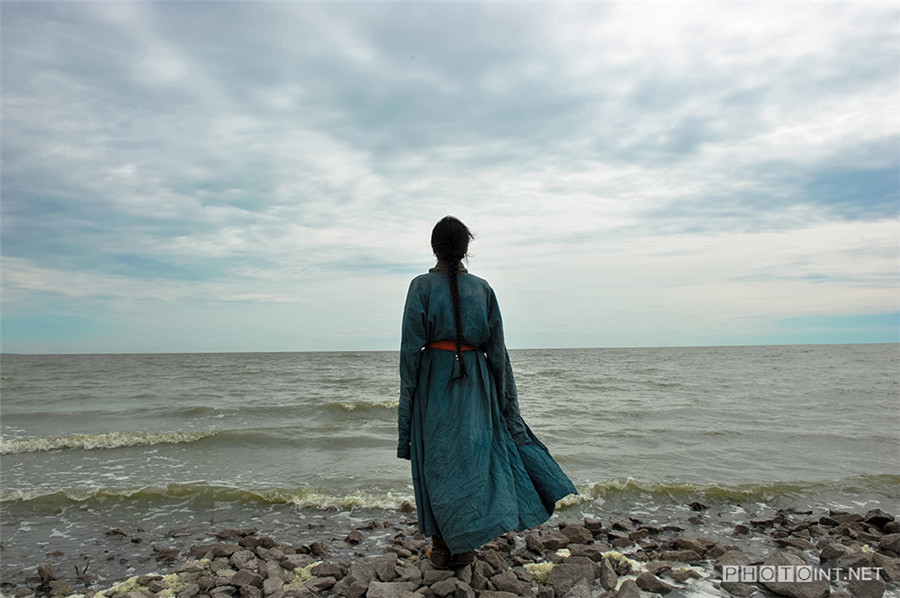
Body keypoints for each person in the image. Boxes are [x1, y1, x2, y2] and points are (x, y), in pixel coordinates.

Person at [397, 215, 577, 569]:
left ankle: (443, 545)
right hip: (477, 384)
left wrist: (406, 421)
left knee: (439, 464)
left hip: (435, 383)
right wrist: (508, 409)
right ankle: (464, 547)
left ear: (433, 248)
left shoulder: (420, 286)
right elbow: (498, 356)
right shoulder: (483, 289)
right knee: (474, 462)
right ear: (466, 249)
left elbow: (408, 355)